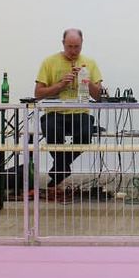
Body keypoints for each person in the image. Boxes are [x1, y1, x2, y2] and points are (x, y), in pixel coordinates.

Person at [33, 28, 103, 201]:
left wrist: (86, 81)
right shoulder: (49, 62)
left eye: (77, 47)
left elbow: (98, 96)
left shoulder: (90, 62)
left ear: (82, 44)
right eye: (69, 46)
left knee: (85, 135)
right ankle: (62, 169)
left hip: (80, 112)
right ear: (63, 44)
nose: (73, 51)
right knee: (51, 130)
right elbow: (38, 94)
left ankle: (59, 169)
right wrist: (60, 85)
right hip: (55, 111)